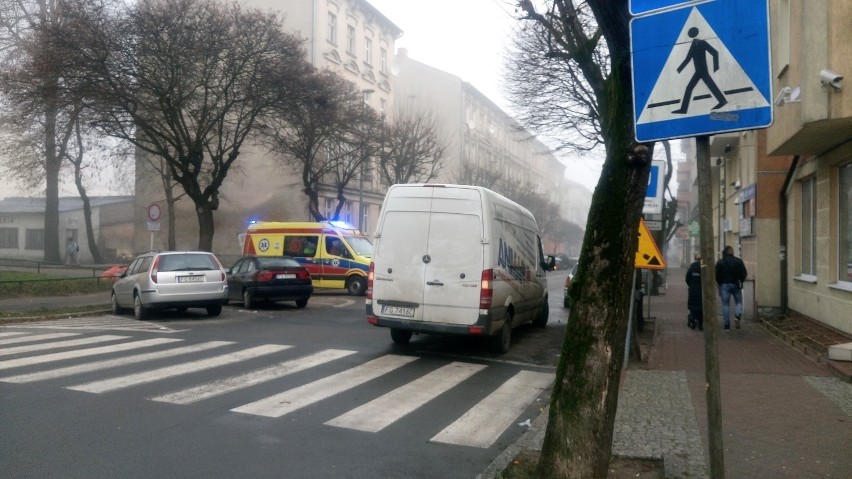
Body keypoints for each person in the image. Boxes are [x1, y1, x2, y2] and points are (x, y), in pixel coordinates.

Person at [715, 245, 748, 330]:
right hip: (736, 284)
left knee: (725, 304)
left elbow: (717, 275)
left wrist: (720, 283)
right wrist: (741, 280)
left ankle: (726, 325)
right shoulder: (738, 261)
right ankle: (737, 316)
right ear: (732, 252)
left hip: (724, 285)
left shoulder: (720, 262)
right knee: (738, 302)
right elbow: (744, 273)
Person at [685, 252, 703, 331]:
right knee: (701, 306)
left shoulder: (692, 267)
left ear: (695, 258)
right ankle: (700, 323)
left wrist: (691, 285)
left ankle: (693, 319)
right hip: (702, 290)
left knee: (692, 305)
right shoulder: (704, 267)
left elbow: (687, 278)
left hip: (693, 290)